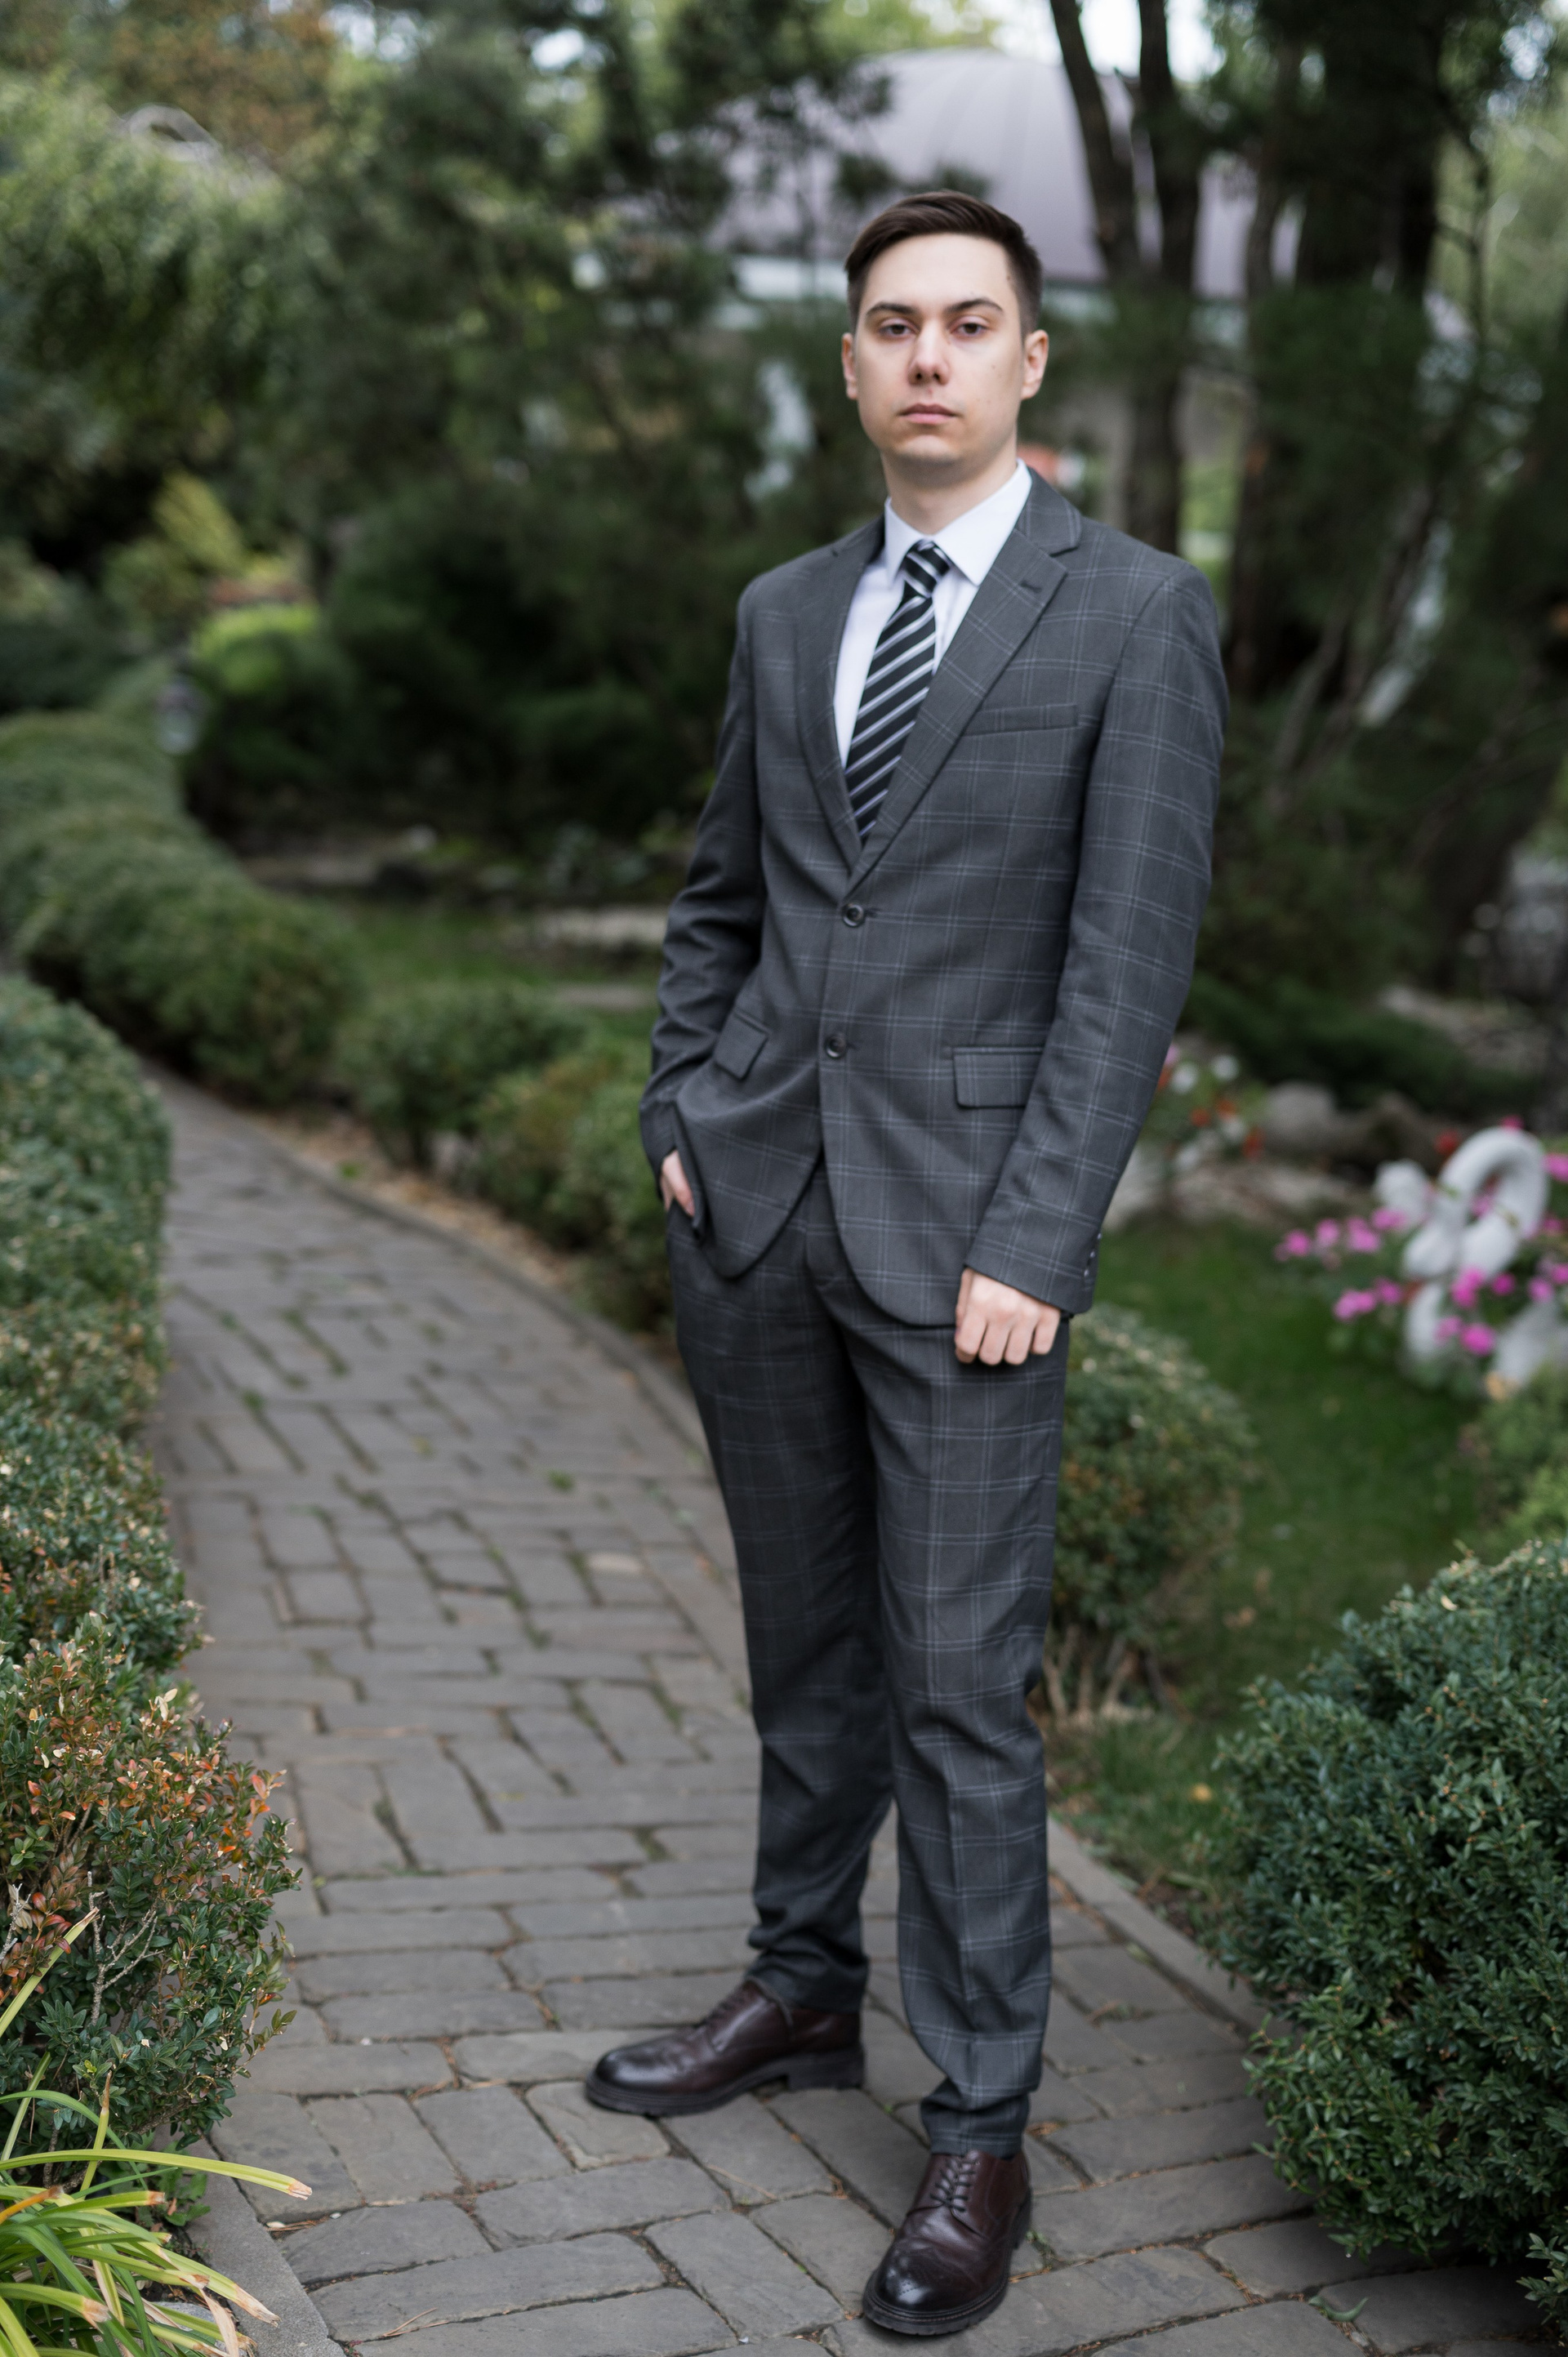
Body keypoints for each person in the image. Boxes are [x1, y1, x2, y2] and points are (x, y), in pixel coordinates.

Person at [585, 188, 1226, 2338]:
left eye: (968, 322)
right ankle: (797, 1988)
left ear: (1031, 360)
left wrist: (1040, 1232)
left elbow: (1124, 968)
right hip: (758, 1210)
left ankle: (978, 2126)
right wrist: (681, 1115)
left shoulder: (1136, 614)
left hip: (973, 1254)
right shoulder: (787, 613)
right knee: (805, 1645)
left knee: (957, 1690)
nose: (928, 355)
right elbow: (722, 899)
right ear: (852, 363)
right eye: (893, 324)